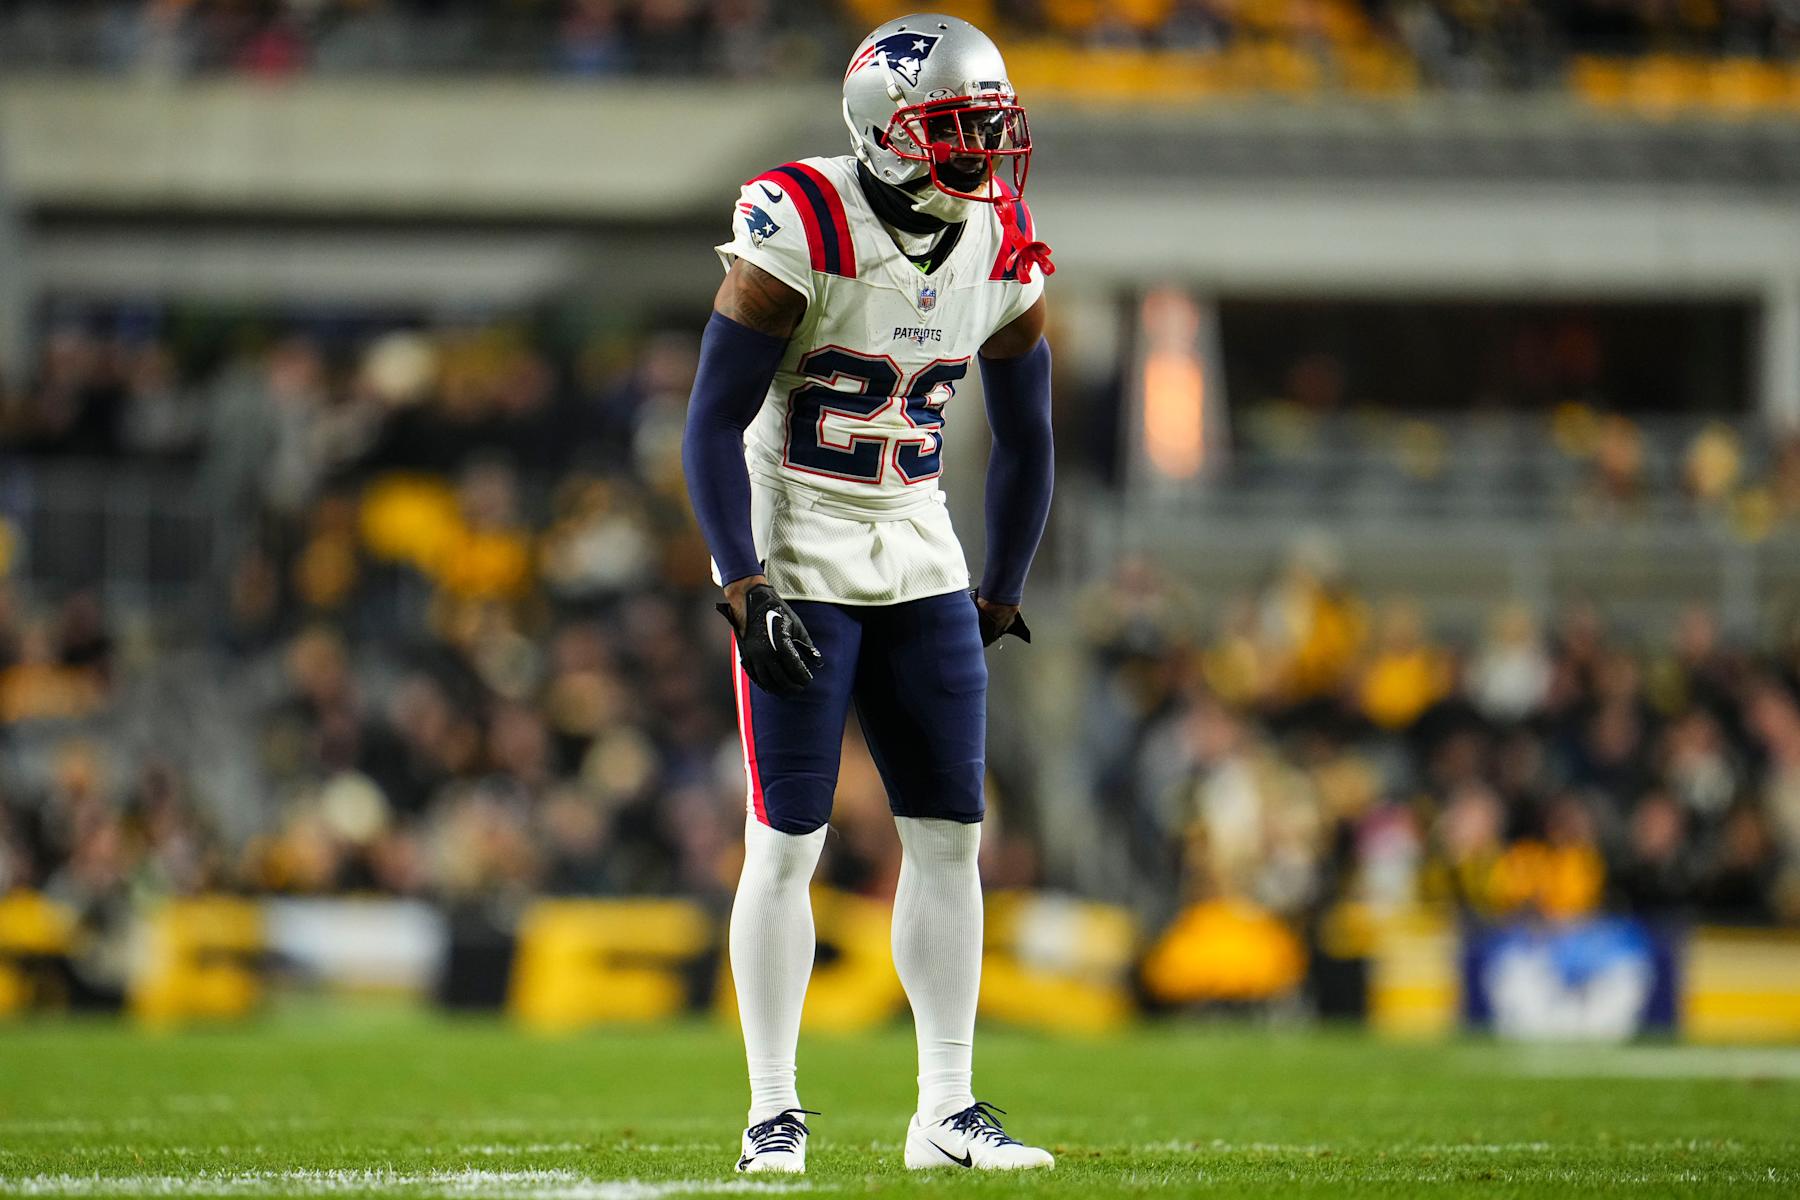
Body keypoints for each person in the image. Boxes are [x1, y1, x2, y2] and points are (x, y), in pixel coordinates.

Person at [680, 11, 1057, 1176]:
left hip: (919, 548)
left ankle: (946, 1109)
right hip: (799, 543)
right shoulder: (805, 215)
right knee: (786, 840)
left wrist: (1002, 583)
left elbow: (1031, 434)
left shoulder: (1000, 236)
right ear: (887, 129)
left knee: (950, 836)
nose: (982, 153)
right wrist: (742, 580)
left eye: (990, 127)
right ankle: (772, 1111)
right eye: (957, 127)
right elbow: (710, 422)